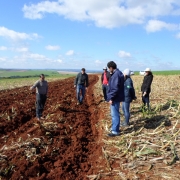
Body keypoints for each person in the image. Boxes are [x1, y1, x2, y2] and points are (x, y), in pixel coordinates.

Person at [107, 61, 124, 137]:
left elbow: (114, 88)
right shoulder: (119, 73)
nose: (108, 70)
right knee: (116, 113)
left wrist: (111, 98)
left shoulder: (116, 75)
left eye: (109, 68)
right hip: (118, 97)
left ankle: (115, 131)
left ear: (111, 67)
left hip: (115, 98)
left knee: (114, 114)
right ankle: (115, 128)